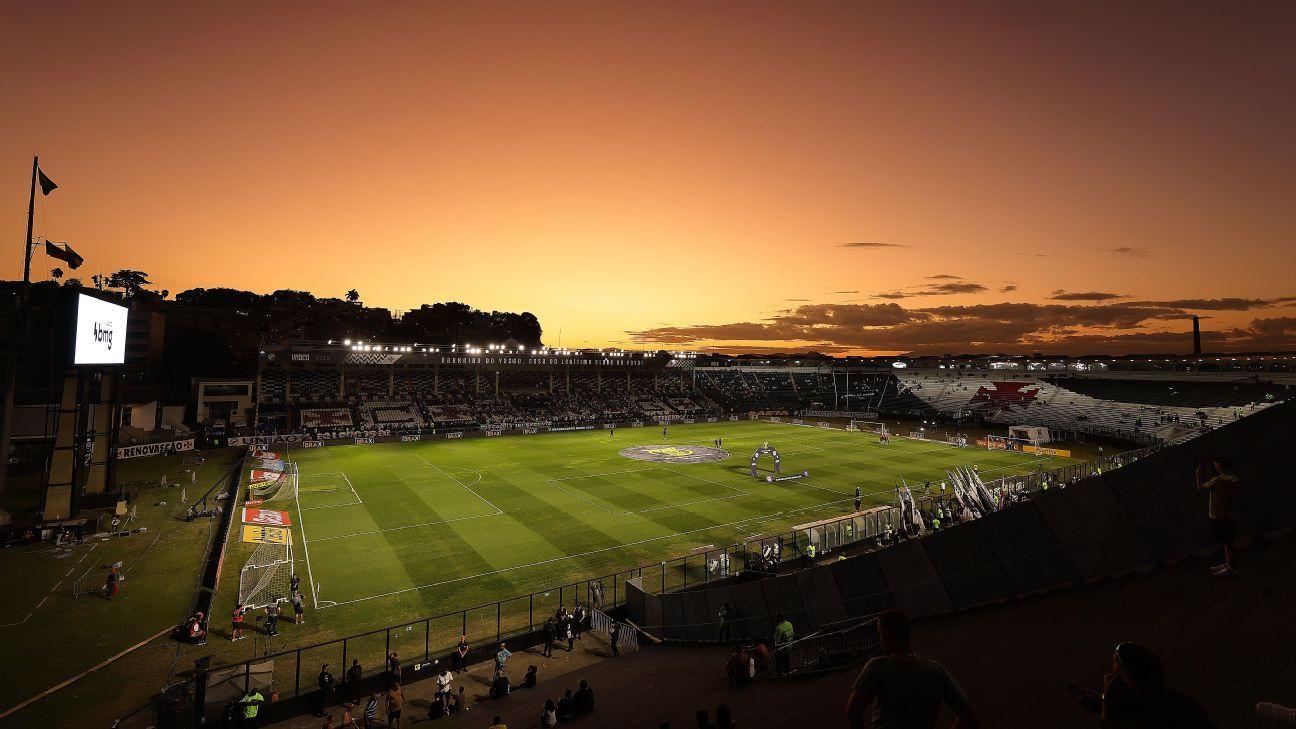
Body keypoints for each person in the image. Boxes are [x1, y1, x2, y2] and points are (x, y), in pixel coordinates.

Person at [846, 610, 979, 729]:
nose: (881, 641)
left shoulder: (876, 667)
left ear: (887, 635)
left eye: (880, 635)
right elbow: (969, 718)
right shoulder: (938, 671)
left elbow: (853, 711)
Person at [1081, 642, 1214, 728]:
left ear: (1127, 679)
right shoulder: (1176, 700)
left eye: (1116, 664)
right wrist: (1103, 706)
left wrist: (1108, 705)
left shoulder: (1158, 714)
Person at [1196, 457, 1241, 577]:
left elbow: (1200, 487)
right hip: (1228, 514)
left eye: (1216, 464)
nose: (1215, 465)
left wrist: (1198, 474)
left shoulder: (1219, 480)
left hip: (1219, 515)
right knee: (1228, 542)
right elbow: (1216, 482)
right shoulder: (1232, 478)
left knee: (1228, 543)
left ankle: (1231, 569)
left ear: (1220, 466)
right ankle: (1228, 564)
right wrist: (1208, 474)